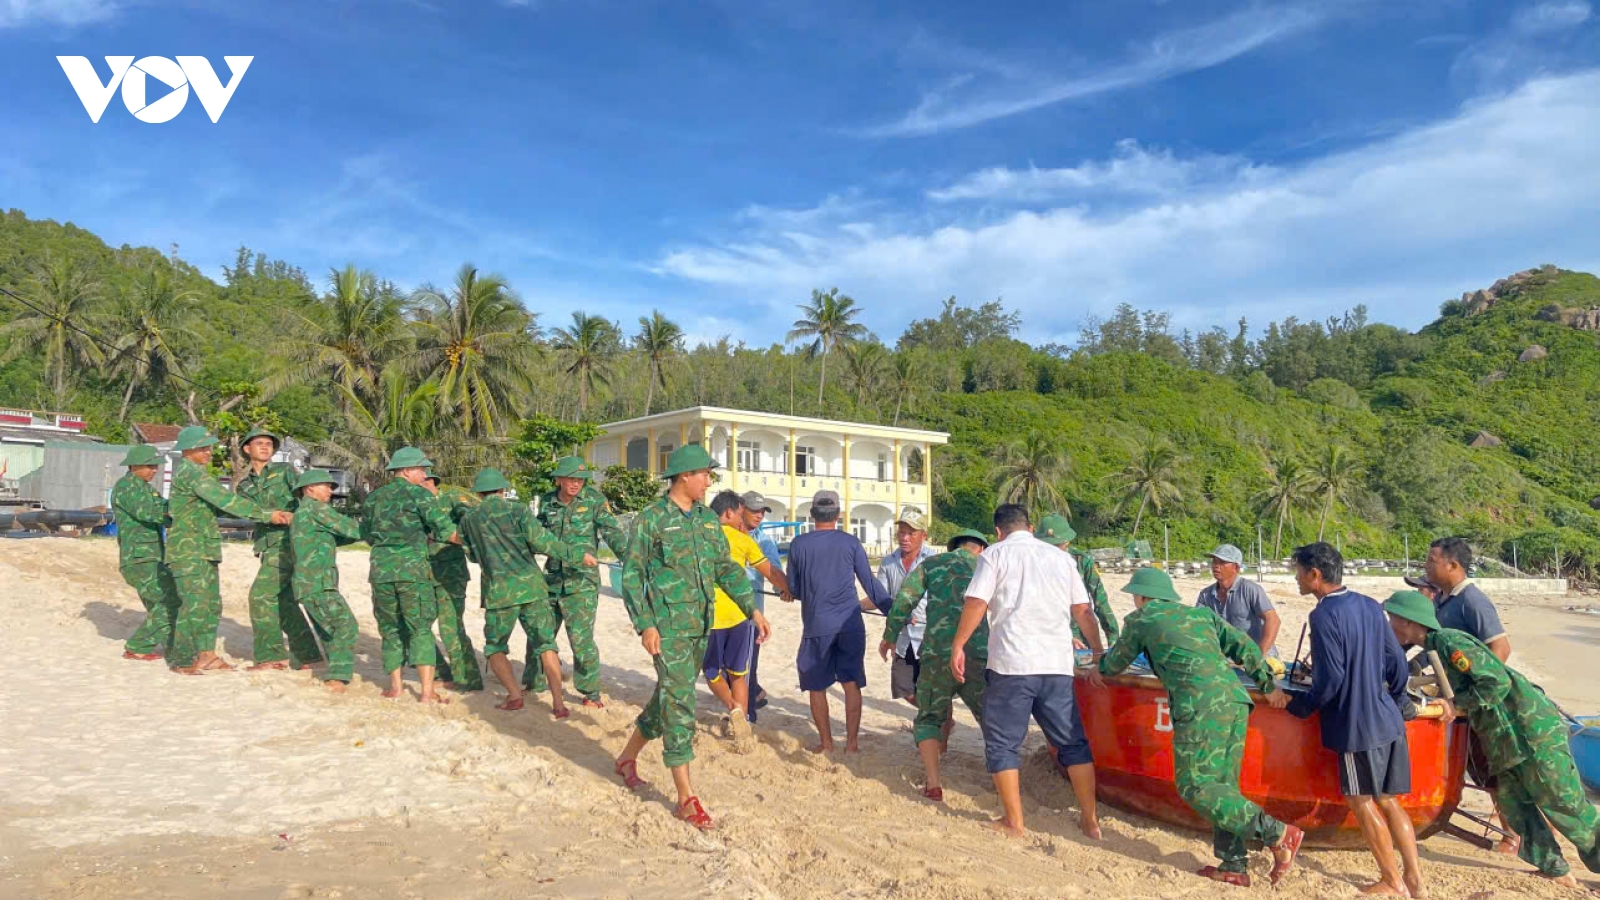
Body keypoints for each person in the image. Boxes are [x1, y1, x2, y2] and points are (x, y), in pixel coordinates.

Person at [1100, 567, 1305, 887]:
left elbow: (1114, 664)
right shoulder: (1201, 616)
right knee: (1223, 788)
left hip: (1200, 706)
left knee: (1194, 785)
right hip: (1235, 702)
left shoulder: (1142, 619)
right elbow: (1246, 647)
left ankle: (1278, 833)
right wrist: (1268, 687)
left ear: (1140, 597)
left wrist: (1097, 666)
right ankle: (1233, 864)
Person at [1384, 590, 1600, 891]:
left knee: (1565, 805)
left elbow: (1495, 682)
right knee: (1515, 805)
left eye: (1392, 619)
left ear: (1408, 622)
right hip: (1505, 739)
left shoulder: (1450, 643)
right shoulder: (1434, 647)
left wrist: (1456, 705)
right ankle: (1555, 869)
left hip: (1529, 732)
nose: (1389, 625)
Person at [613, 444, 773, 831]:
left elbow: (725, 569)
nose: (708, 481)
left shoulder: (706, 521)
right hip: (667, 630)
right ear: (684, 475)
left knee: (668, 695)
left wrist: (751, 608)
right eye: (704, 474)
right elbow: (632, 575)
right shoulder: (651, 519)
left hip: (702, 625)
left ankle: (625, 759)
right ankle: (686, 798)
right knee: (681, 703)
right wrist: (645, 625)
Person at [951, 504, 1106, 840]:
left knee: (1004, 744)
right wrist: (1097, 650)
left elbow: (976, 603)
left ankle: (1014, 822)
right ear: (1031, 527)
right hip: (1056, 665)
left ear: (997, 531)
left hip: (1011, 665)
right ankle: (1090, 820)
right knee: (1072, 743)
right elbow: (1082, 610)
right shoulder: (1061, 559)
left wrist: (958, 644)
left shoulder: (994, 556)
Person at [1285, 542, 1421, 898]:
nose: (1296, 578)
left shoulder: (1323, 615)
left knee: (1361, 801)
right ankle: (1416, 882)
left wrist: (1299, 705)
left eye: (1299, 571)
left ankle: (1391, 880)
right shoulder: (1369, 605)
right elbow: (1397, 665)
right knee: (1390, 800)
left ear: (1315, 575)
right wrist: (1390, 700)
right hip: (1387, 718)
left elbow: (1330, 682)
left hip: (1356, 725)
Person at [457, 467, 595, 717]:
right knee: (546, 644)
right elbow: (544, 542)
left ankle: (514, 696)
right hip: (532, 587)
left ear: (479, 493)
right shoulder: (518, 510)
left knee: (495, 646)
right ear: (502, 489)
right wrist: (578, 555)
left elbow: (474, 556)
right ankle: (558, 703)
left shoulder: (468, 520)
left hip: (499, 592)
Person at [166, 425, 286, 676]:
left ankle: (206, 655)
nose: (209, 451)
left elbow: (221, 507)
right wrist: (268, 515)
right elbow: (225, 501)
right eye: (204, 447)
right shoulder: (191, 474)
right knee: (194, 605)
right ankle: (183, 659)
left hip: (203, 548)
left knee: (211, 605)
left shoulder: (197, 473)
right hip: (189, 550)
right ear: (190, 450)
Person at [1424, 536, 1518, 854]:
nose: (1426, 565)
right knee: (1470, 768)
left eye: (1431, 560)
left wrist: (1475, 691)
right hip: (1455, 702)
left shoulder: (1472, 601)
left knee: (1492, 770)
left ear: (1453, 566)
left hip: (1479, 704)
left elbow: (1500, 649)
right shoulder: (1442, 601)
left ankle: (1512, 835)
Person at [881, 528, 989, 803]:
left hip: (937, 652)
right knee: (990, 718)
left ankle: (933, 783)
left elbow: (904, 601)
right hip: (976, 653)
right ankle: (1003, 780)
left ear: (954, 547)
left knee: (929, 716)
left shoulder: (931, 564)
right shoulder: (987, 565)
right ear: (981, 548)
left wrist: (889, 637)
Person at [785, 489, 892, 754]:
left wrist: (788, 592)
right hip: (850, 625)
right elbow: (871, 585)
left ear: (811, 515)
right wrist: (894, 611)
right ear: (839, 515)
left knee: (816, 686)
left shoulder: (798, 545)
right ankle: (852, 744)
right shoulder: (851, 542)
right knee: (851, 683)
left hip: (816, 626)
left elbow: (795, 589)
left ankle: (827, 743)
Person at [361, 446, 460, 704]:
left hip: (381, 572)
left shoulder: (374, 498)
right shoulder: (421, 496)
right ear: (406, 471)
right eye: (421, 469)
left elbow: (368, 535)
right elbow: (446, 531)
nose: (425, 474)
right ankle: (427, 691)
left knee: (390, 629)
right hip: (413, 572)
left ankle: (395, 687)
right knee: (420, 628)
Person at [525, 456, 626, 708]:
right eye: (570, 478)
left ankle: (590, 693)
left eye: (580, 479)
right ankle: (535, 682)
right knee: (540, 633)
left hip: (581, 582)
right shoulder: (548, 501)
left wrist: (630, 559)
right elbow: (537, 534)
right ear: (559, 479)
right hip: (550, 579)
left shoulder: (594, 501)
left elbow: (612, 532)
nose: (575, 484)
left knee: (580, 640)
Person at [235, 427, 324, 672]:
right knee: (284, 602)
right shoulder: (244, 486)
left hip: (288, 543)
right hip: (267, 544)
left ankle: (271, 657)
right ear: (246, 449)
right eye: (259, 443)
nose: (265, 447)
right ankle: (308, 656)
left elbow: (307, 496)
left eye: (269, 444)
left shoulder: (285, 471)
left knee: (261, 596)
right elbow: (246, 511)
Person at [705, 489, 789, 731]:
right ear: (730, 513)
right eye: (744, 512)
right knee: (738, 672)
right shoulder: (744, 540)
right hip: (743, 616)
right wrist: (791, 590)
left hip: (710, 617)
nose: (746, 518)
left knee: (712, 671)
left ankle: (736, 710)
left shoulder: (700, 536)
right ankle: (740, 716)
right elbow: (771, 572)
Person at [287, 469, 363, 693]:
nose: (331, 490)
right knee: (346, 625)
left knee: (330, 629)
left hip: (308, 583)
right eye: (326, 486)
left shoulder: (303, 512)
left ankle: (335, 675)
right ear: (309, 489)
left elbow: (337, 536)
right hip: (318, 582)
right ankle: (336, 677)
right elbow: (352, 529)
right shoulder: (316, 508)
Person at [110, 444, 179, 661]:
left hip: (152, 556)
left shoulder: (144, 487)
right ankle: (138, 646)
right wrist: (181, 511)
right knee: (169, 602)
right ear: (134, 466)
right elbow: (151, 512)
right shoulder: (127, 487)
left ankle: (172, 647)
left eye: (155, 466)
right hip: (140, 558)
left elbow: (163, 507)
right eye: (150, 466)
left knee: (159, 604)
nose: (154, 470)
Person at [418, 467, 482, 691]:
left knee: (451, 628)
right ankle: (440, 673)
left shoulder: (452, 499)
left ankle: (468, 679)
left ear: (431, 480)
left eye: (422, 480)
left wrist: (438, 535)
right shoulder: (414, 503)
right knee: (418, 626)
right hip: (421, 572)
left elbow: (472, 525)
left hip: (450, 573)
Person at [878, 508, 938, 706]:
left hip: (929, 636)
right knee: (903, 688)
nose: (904, 538)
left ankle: (936, 721)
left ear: (924, 535)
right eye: (901, 532)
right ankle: (935, 715)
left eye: (911, 533)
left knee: (934, 688)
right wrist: (852, 605)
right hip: (901, 637)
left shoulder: (935, 562)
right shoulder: (888, 563)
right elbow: (880, 597)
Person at [1034, 513, 1120, 648]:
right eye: (1048, 546)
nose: (1053, 551)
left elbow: (1100, 600)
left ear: (1067, 542)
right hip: (1044, 635)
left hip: (1080, 634)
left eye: (1057, 546)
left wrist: (1113, 637)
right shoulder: (1030, 563)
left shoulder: (1081, 561)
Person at [1195, 543, 1281, 660]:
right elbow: (1197, 624)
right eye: (1214, 561)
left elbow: (1273, 620)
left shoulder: (1250, 589)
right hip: (1229, 660)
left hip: (1259, 656)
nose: (1216, 566)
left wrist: (1259, 656)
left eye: (1222, 562)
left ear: (1236, 567)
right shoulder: (1206, 595)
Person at [742, 491, 784, 714]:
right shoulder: (724, 534)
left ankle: (749, 715)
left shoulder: (765, 541)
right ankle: (755, 693)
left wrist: (784, 590)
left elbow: (775, 571)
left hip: (753, 613)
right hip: (721, 611)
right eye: (754, 510)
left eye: (762, 511)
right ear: (741, 509)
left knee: (748, 668)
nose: (759, 515)